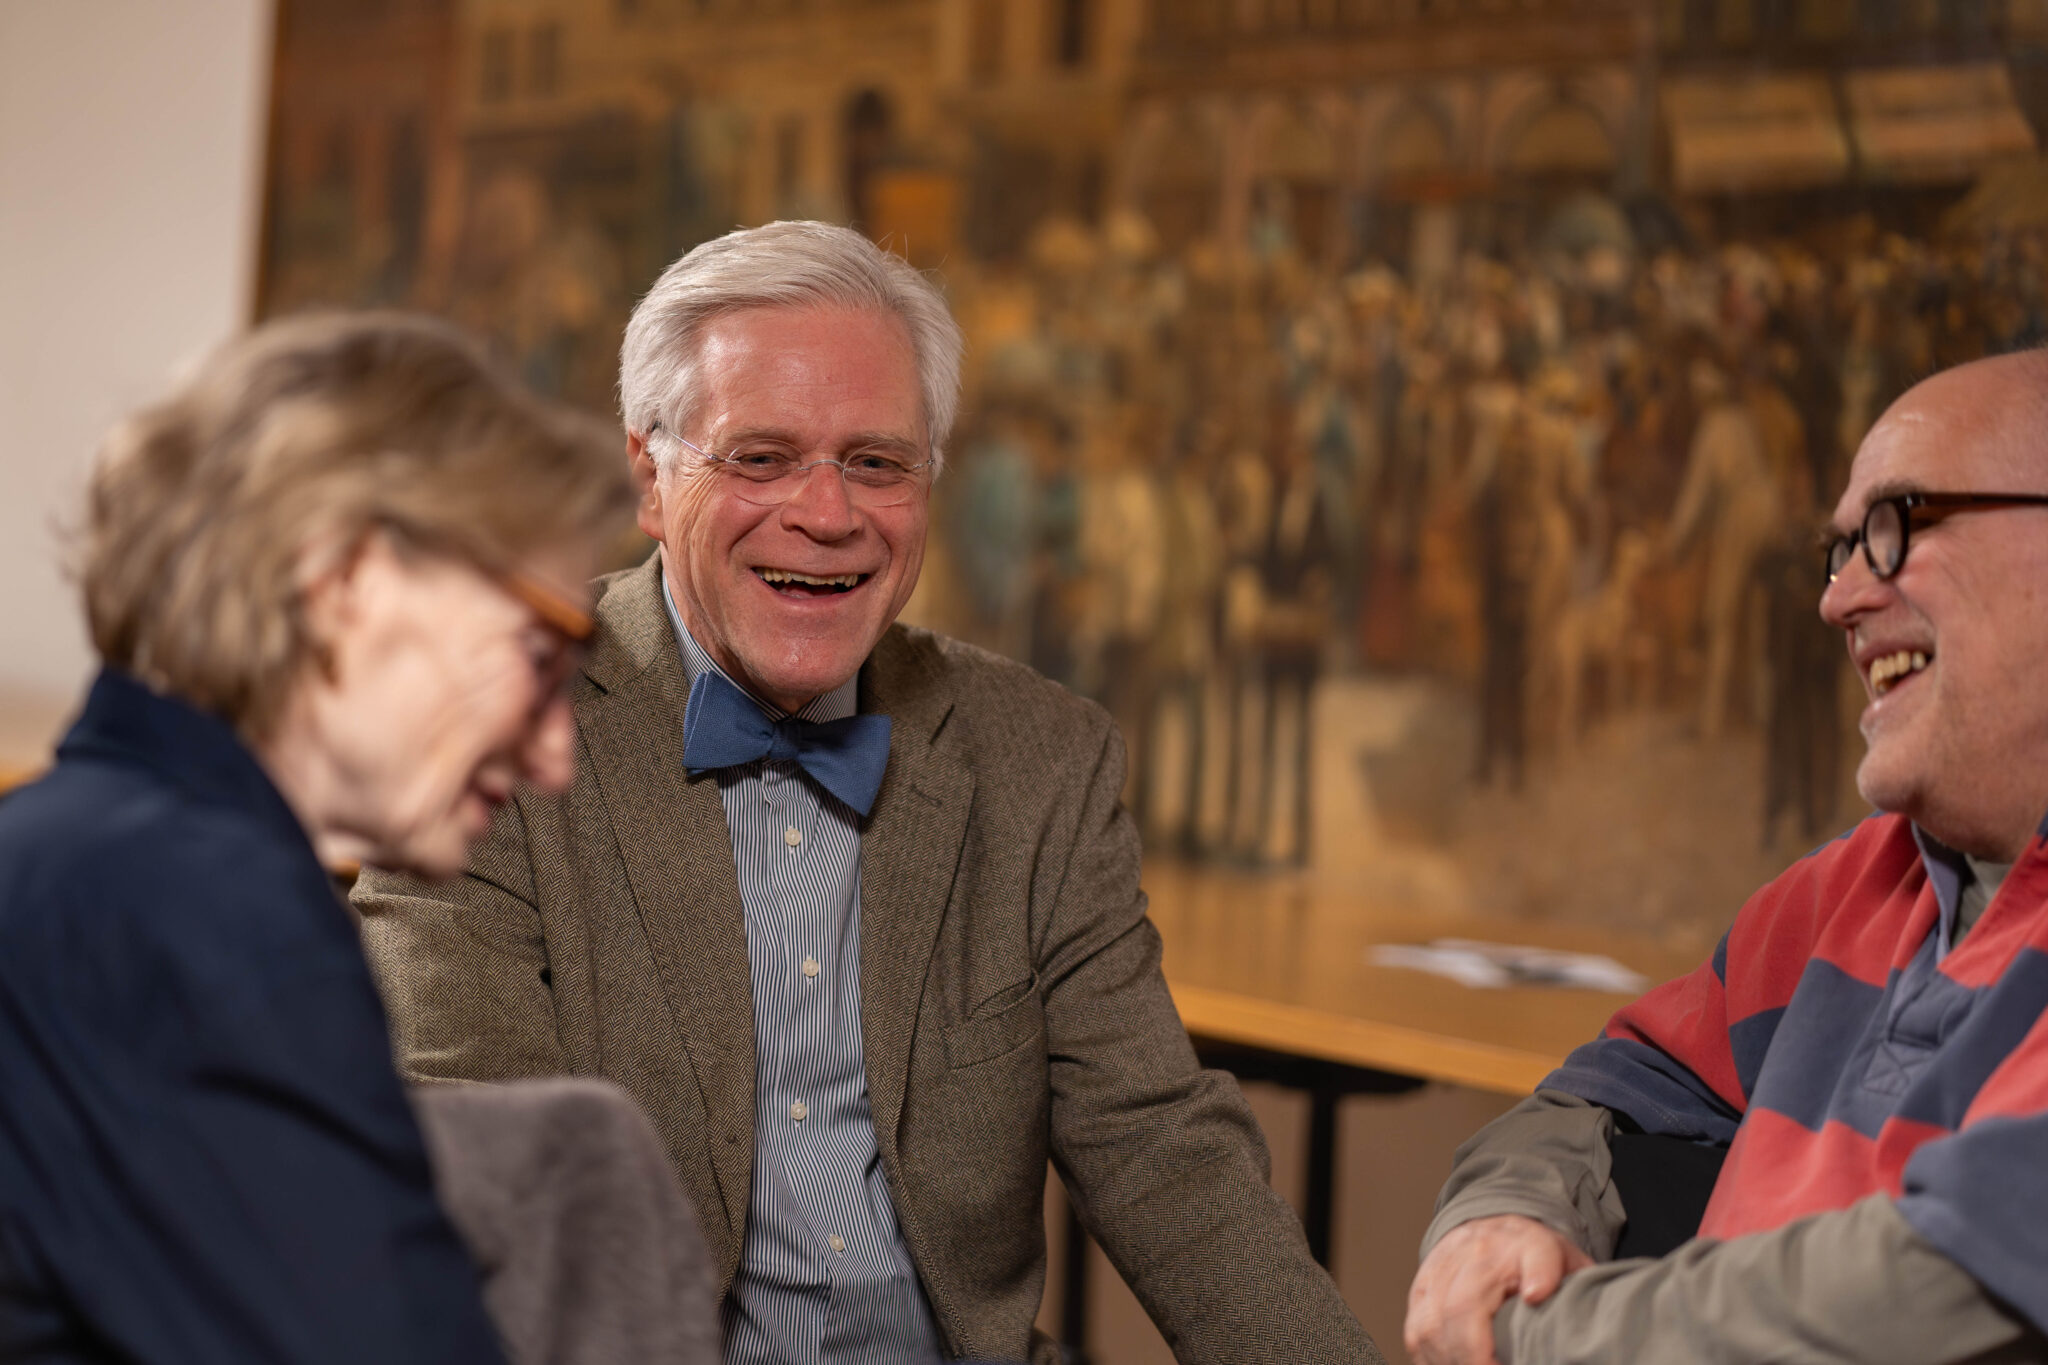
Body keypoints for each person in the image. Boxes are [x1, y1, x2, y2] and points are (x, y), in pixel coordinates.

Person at [353, 221, 1382, 1365]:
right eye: (760, 458)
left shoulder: (1038, 756)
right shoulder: (486, 727)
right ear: (650, 477)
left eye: (876, 462)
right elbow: (473, 1176)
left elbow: (1161, 1149)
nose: (829, 515)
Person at [0, 312, 714, 1364]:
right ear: (344, 582)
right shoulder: (201, 907)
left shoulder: (72, 842)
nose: (556, 756)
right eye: (540, 651)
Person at [1404, 349, 2048, 1364]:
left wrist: (1539, 1337)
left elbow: (1935, 1286)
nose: (1836, 603)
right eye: (1834, 552)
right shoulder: (1844, 887)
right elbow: (1600, 1093)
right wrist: (1500, 1218)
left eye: (1891, 528)